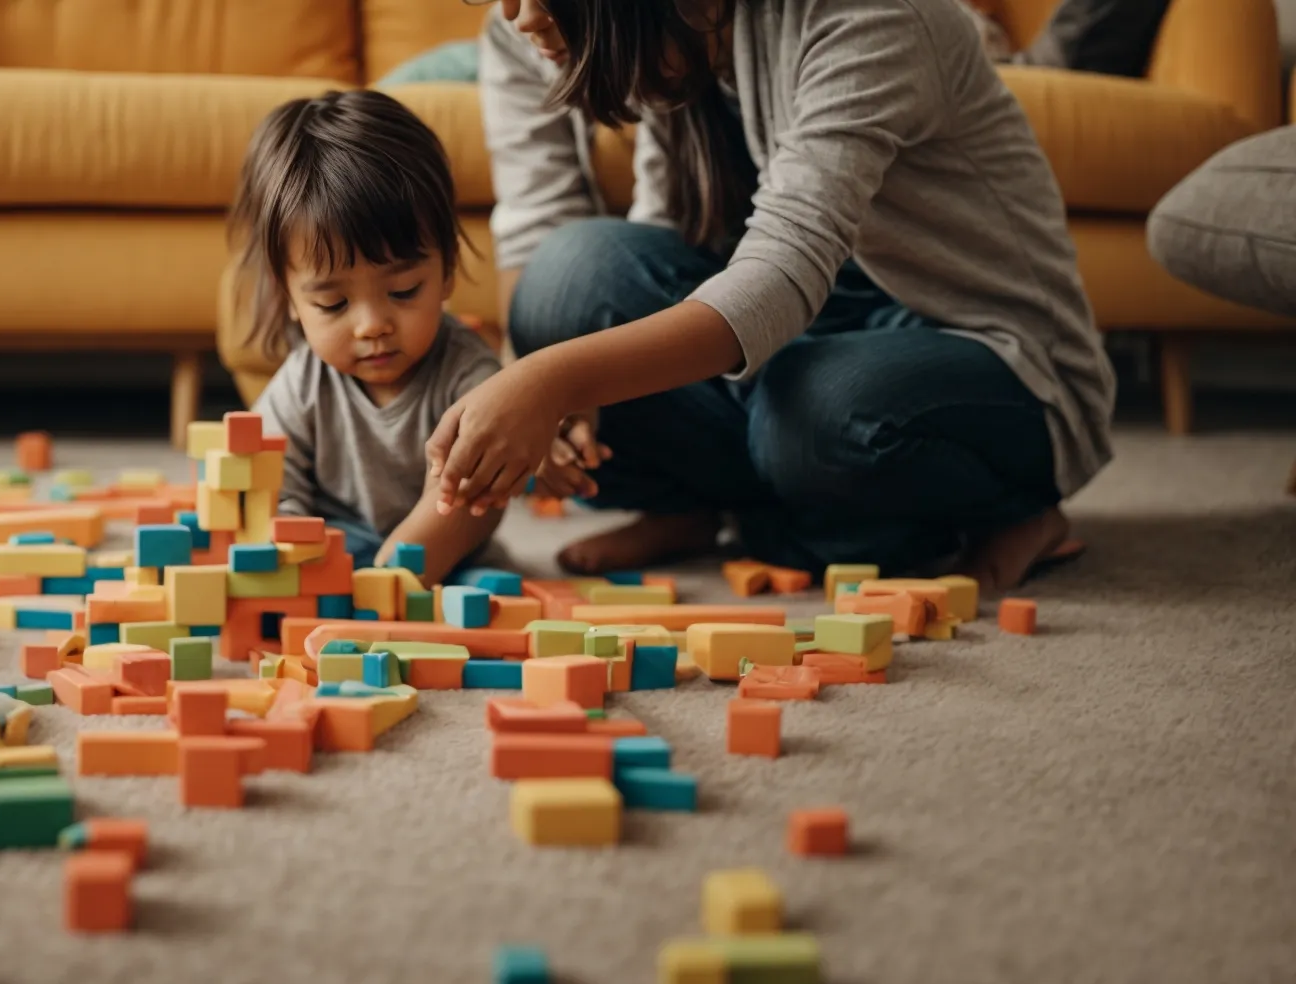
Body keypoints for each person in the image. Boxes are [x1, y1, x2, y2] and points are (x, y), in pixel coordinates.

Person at [430, 0, 1114, 593]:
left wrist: (549, 380)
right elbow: (663, 241)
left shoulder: (868, 19)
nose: (518, 15)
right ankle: (747, 509)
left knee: (821, 413)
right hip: (795, 354)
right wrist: (573, 383)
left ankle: (1009, 507)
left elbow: (782, 277)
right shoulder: (678, 40)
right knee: (570, 281)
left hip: (983, 354)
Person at [233, 88, 507, 582]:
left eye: (403, 291)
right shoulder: (301, 384)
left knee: (486, 597)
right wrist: (289, 549)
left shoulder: (468, 375)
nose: (371, 326)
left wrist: (386, 582)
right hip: (337, 546)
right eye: (333, 303)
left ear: (446, 270)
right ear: (290, 298)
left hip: (444, 555)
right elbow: (269, 489)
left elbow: (468, 499)